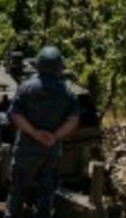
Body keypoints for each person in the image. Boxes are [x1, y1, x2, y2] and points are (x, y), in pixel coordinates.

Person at [4, 46, 81, 218]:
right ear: (59, 67)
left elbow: (14, 114)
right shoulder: (67, 92)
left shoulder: (26, 87)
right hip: (50, 151)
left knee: (16, 196)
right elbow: (73, 120)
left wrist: (34, 132)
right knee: (45, 200)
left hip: (26, 150)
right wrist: (55, 136)